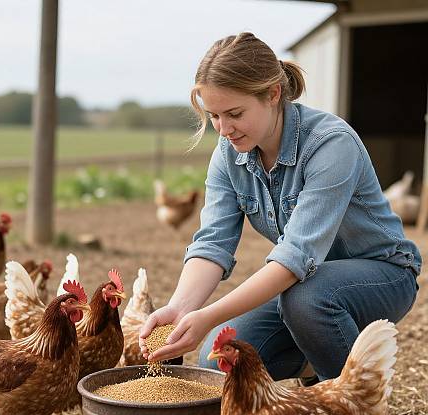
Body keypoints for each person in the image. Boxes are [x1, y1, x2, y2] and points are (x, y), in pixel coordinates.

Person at [139, 32, 421, 383]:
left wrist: (208, 314)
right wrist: (180, 310)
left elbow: (294, 258)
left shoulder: (330, 143)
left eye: (235, 113)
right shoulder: (229, 154)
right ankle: (317, 361)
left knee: (307, 299)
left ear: (273, 94)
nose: (224, 129)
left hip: (381, 275)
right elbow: (212, 245)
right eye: (213, 116)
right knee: (220, 361)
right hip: (307, 283)